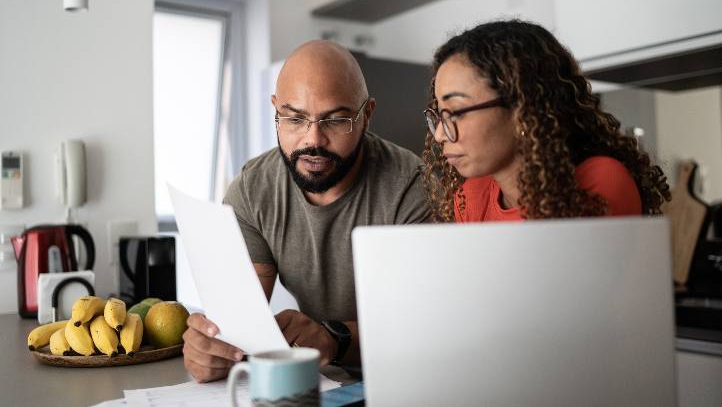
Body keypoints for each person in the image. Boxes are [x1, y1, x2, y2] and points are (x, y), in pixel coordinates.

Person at [182, 40, 430, 382]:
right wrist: (212, 349)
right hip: (323, 380)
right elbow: (237, 323)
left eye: (335, 119)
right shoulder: (253, 190)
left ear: (367, 115)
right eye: (295, 118)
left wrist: (333, 337)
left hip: (410, 375)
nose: (313, 140)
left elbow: (423, 326)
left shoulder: (411, 187)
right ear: (275, 110)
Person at [421, 20, 670, 222]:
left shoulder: (598, 180)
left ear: (522, 109)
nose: (440, 134)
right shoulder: (472, 196)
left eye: (456, 111)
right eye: (439, 114)